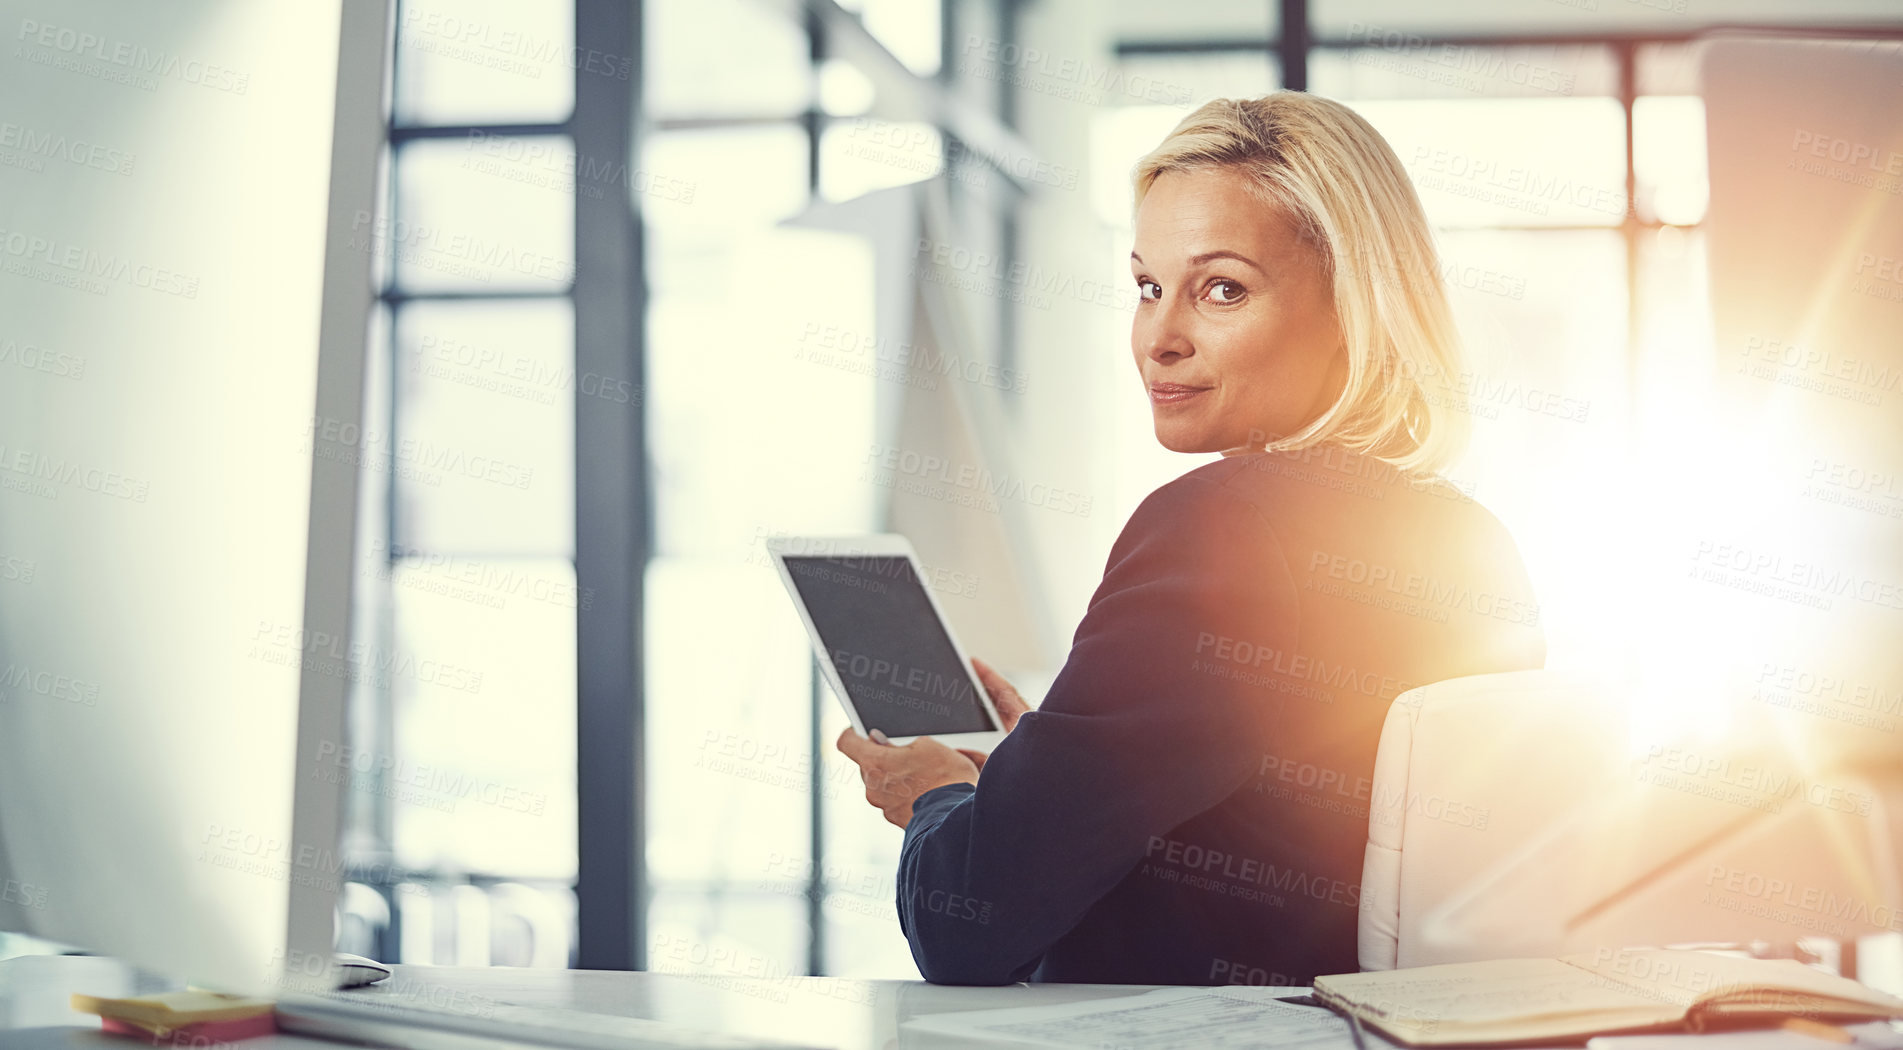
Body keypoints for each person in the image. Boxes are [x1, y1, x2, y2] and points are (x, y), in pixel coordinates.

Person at [836, 92, 1546, 987]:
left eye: (1222, 289)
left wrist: (938, 795)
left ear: (1352, 307)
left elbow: (970, 921)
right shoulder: (1470, 536)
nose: (1158, 338)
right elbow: (1286, 824)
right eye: (1146, 286)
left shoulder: (1217, 524)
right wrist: (1044, 764)